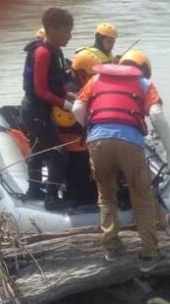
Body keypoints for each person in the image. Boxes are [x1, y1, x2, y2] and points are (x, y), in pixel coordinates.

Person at [72, 49, 170, 272]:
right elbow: (157, 115)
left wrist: (91, 130)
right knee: (142, 196)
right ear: (144, 68)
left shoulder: (95, 78)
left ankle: (111, 247)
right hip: (131, 143)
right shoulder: (145, 84)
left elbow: (77, 108)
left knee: (106, 195)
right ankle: (149, 254)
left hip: (98, 142)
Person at [21, 7, 73, 210]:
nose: (70, 35)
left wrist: (69, 96)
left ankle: (33, 190)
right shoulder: (42, 53)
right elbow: (41, 90)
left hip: (41, 111)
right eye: (67, 31)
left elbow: (57, 84)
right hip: (35, 112)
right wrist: (66, 104)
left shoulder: (56, 52)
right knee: (59, 154)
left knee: (37, 151)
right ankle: (51, 198)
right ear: (52, 30)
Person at [52, 50, 102, 206]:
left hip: (82, 144)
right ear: (80, 73)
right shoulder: (70, 90)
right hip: (75, 146)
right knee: (83, 191)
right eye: (91, 74)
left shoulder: (80, 86)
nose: (94, 78)